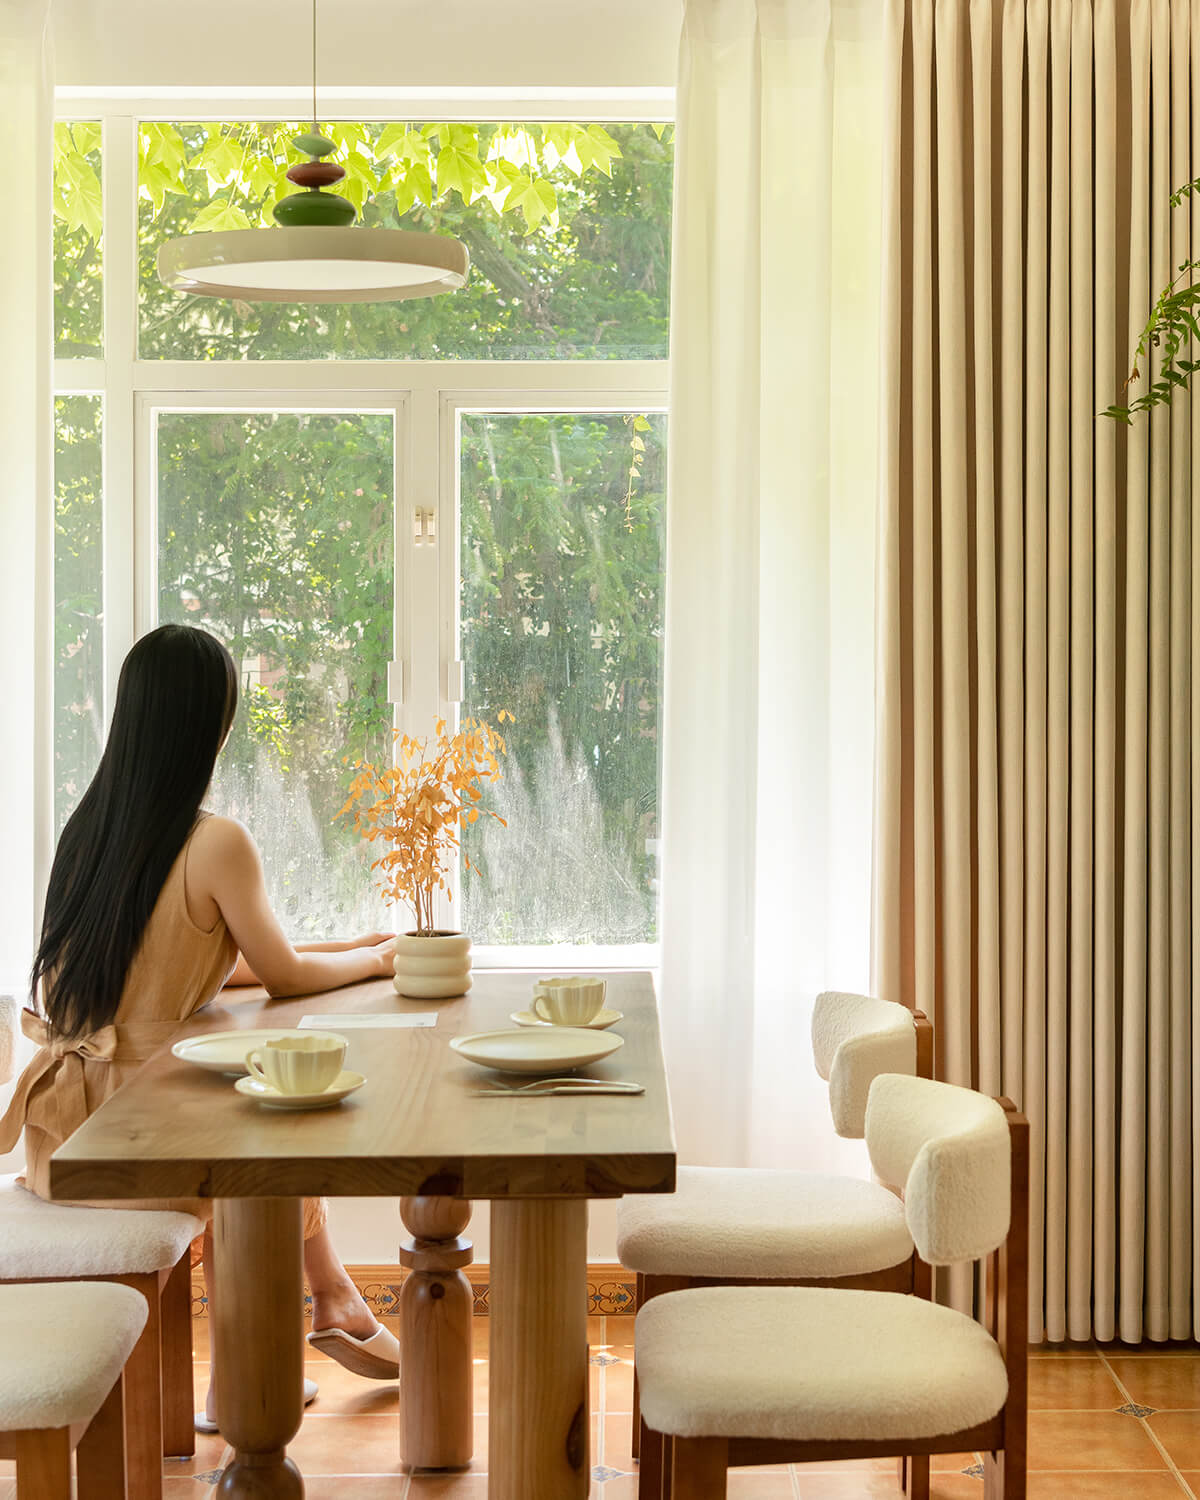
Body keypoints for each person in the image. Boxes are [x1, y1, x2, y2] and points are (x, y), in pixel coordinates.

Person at [0, 623, 401, 1430]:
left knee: (261, 1117)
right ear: (210, 723)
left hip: (64, 1135)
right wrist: (379, 963)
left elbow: (211, 959)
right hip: (134, 1143)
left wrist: (348, 944)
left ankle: (332, 1297)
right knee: (267, 1142)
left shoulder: (91, 832)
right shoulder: (216, 840)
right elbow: (281, 974)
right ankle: (256, 1367)